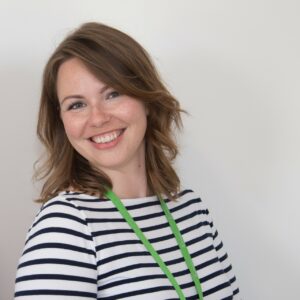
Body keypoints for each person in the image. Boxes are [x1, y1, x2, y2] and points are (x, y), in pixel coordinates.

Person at [14, 22, 240, 299]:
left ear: (147, 99)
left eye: (113, 94)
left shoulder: (191, 210)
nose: (97, 118)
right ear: (62, 122)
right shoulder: (66, 227)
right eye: (77, 104)